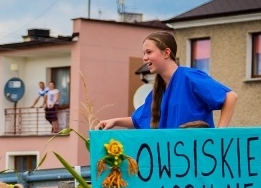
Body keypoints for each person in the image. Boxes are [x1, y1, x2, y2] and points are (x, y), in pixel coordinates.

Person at [98, 30, 237, 130]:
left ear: (166, 52)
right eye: (144, 53)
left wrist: (219, 134)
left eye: (149, 52)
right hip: (174, 164)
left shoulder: (190, 78)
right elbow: (139, 120)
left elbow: (230, 97)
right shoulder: (158, 91)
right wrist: (114, 121)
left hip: (197, 160)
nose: (144, 58)